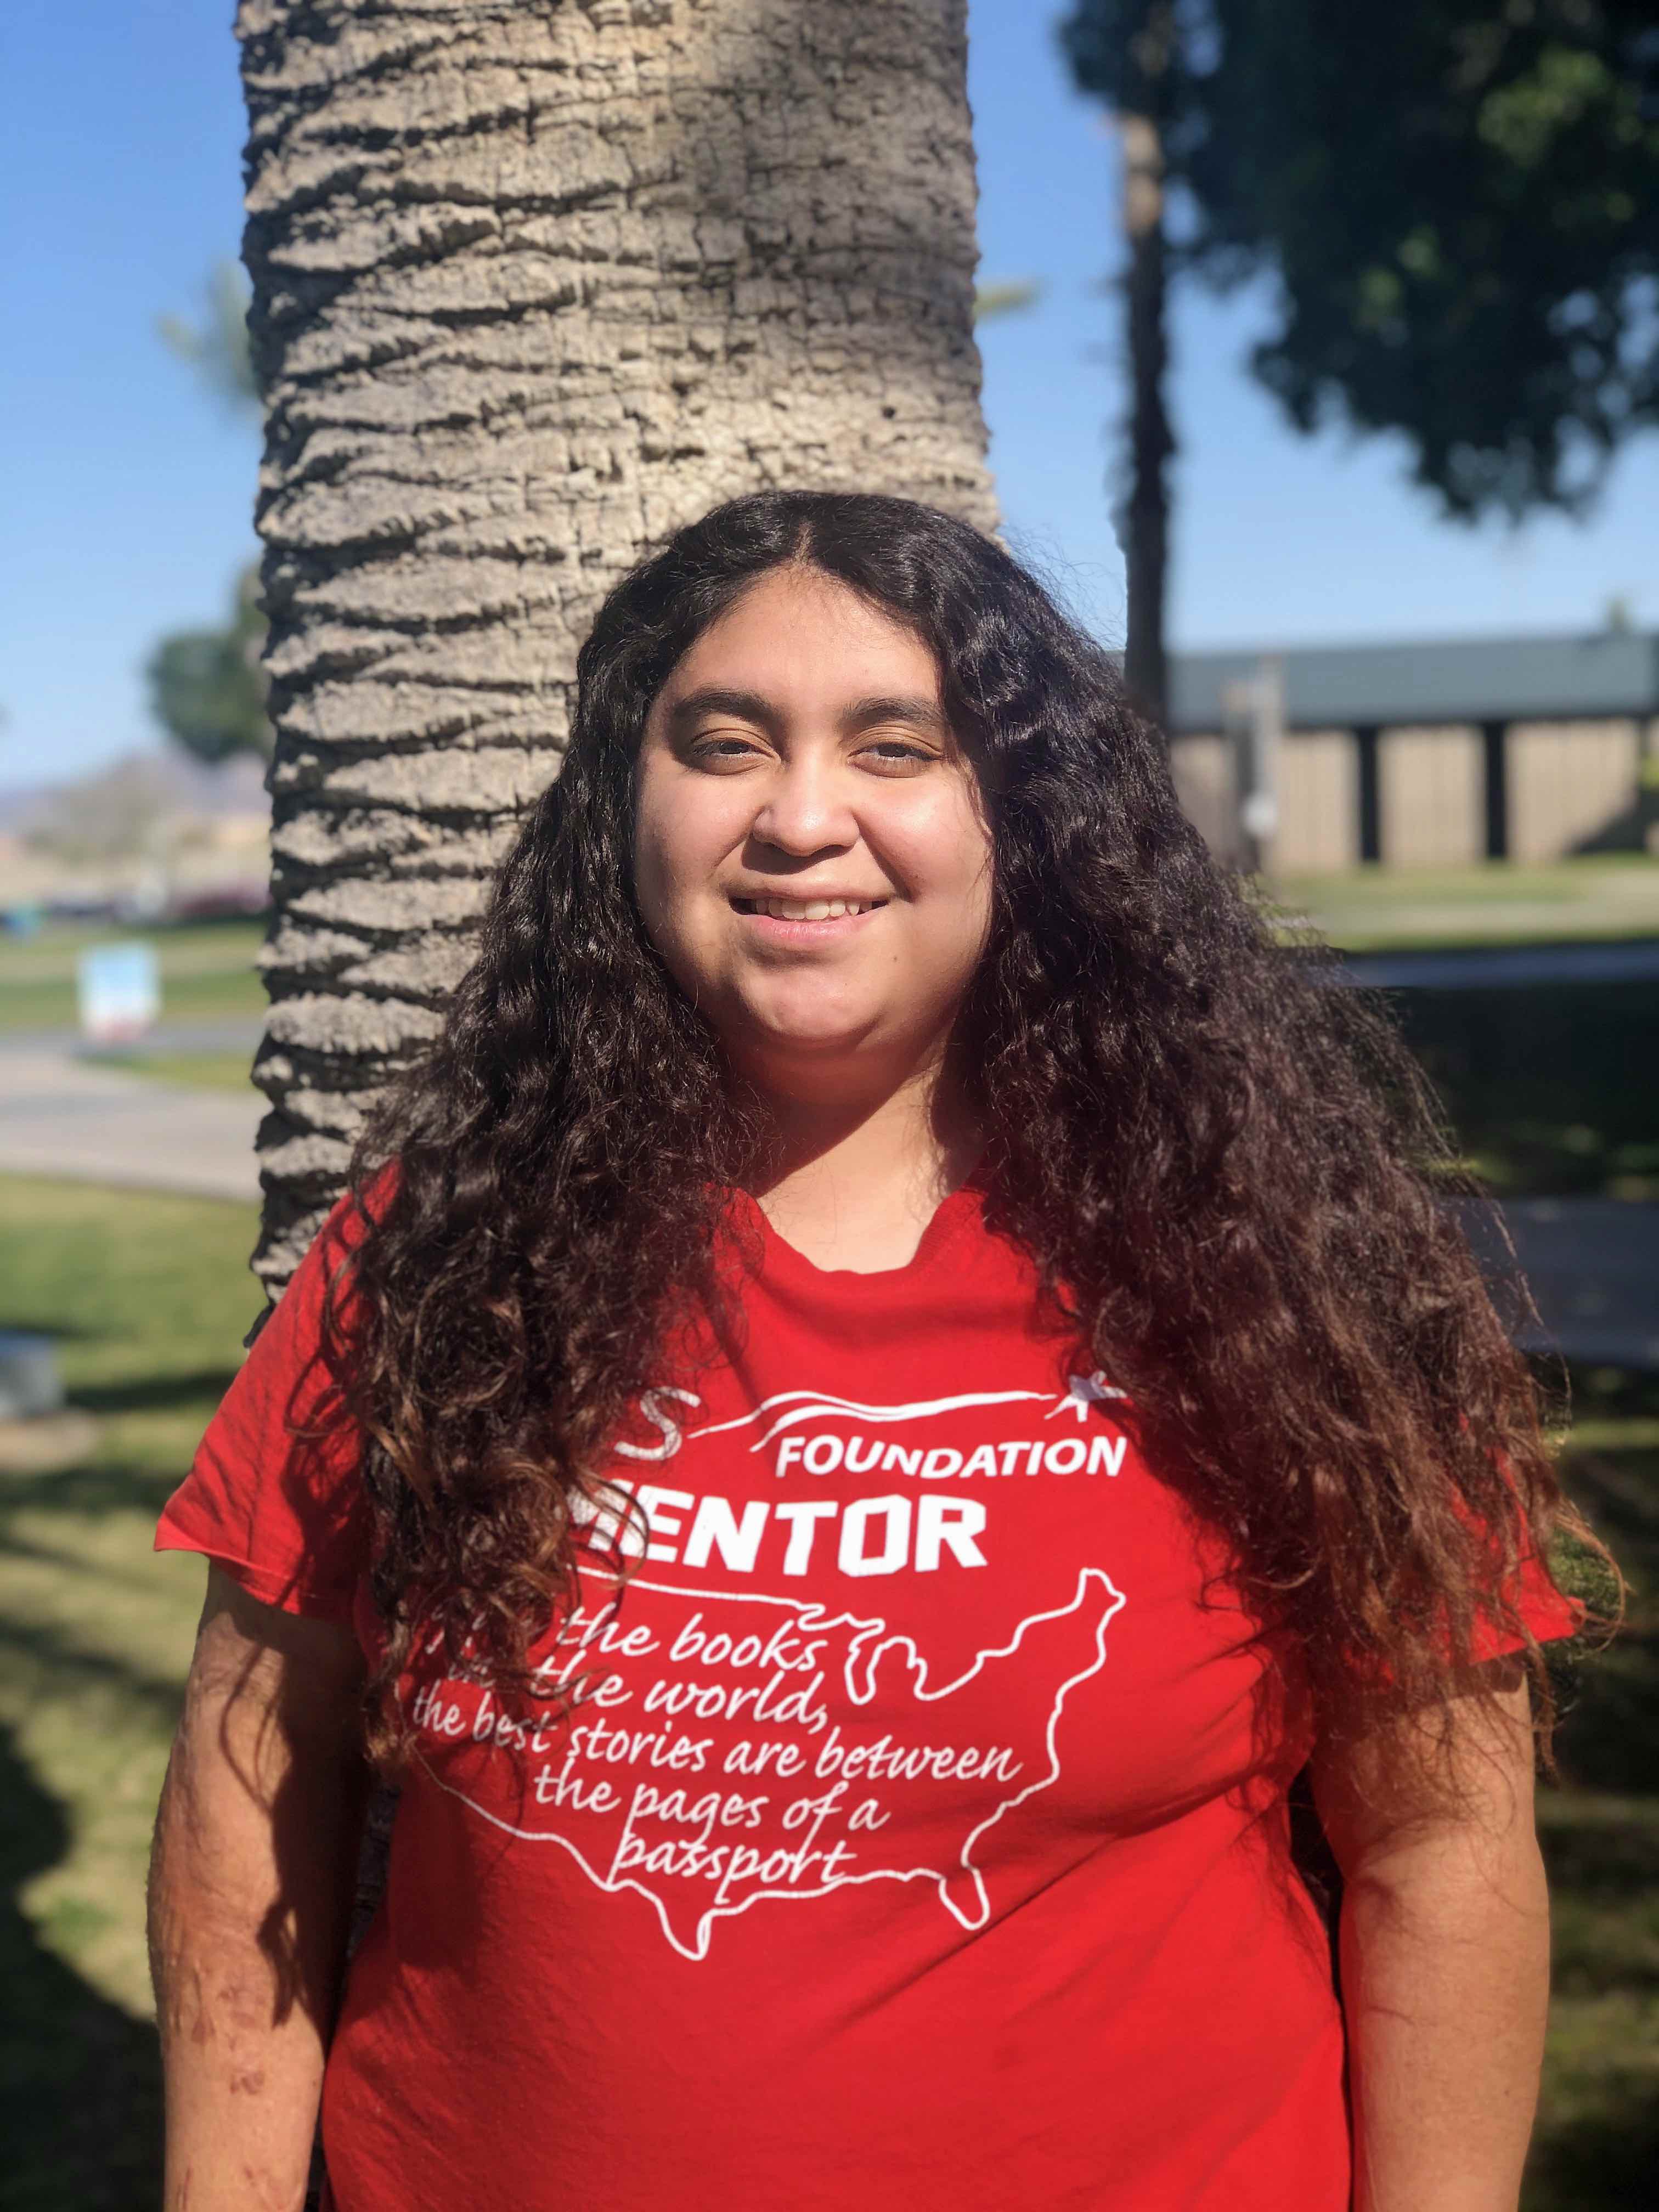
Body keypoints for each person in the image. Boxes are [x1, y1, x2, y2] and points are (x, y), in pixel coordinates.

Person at [149, 489, 1598, 2212]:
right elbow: (249, 1774)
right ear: (631, 805)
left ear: (1023, 817)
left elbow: (1445, 1843)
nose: (801, 816)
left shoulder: (1267, 1266)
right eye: (724, 742)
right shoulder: (445, 1254)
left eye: (897, 745)